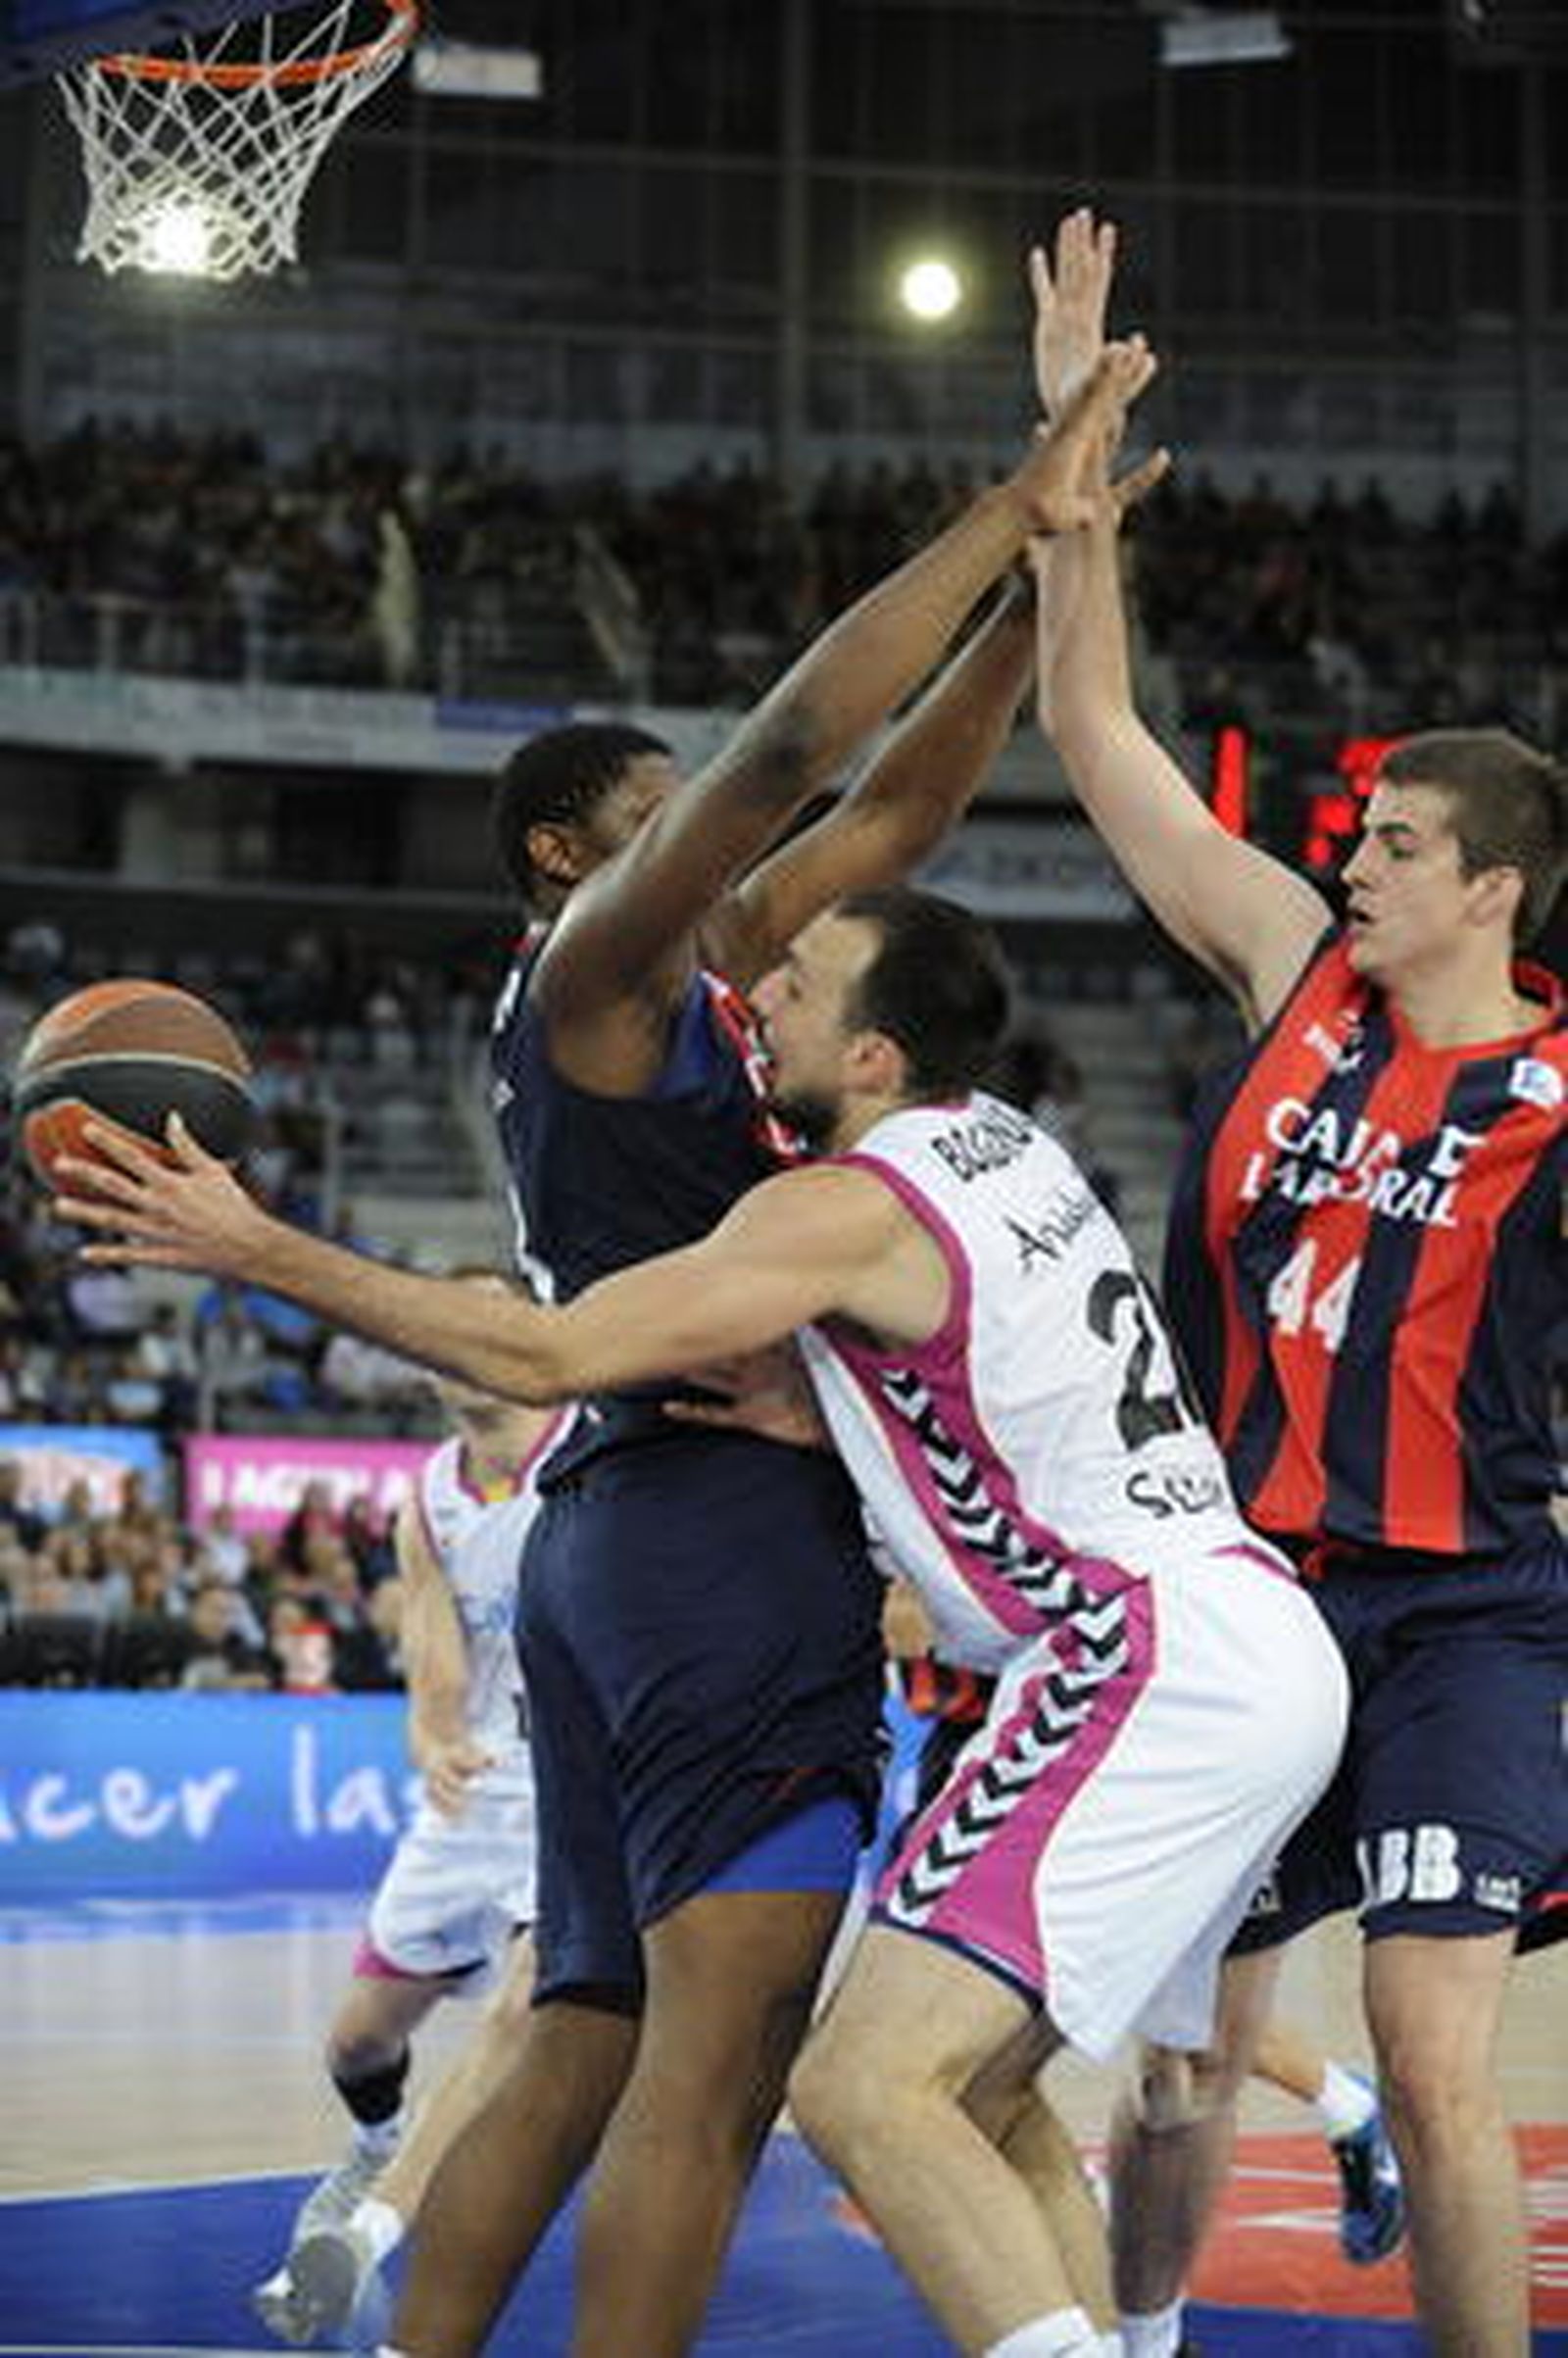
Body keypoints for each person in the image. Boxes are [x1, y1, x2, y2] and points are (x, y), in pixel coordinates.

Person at [62, 351, 1151, 2358]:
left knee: (579, 2022)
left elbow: (899, 796)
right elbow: (808, 741)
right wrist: (1008, 505)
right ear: (573, 854)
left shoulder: (710, 980)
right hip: (709, 1538)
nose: (716, 842)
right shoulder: (596, 974)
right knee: (713, 2072)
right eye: (663, 820)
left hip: (613, 1544)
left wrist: (1045, 575)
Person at [55, 885, 1349, 2358]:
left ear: (873, 1055)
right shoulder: (1017, 1151)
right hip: (1241, 1629)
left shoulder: (843, 1203)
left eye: (798, 983)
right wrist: (831, 1415)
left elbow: (547, 1348)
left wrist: (255, 1244)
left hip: (1136, 1656)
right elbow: (983, 1368)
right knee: (978, 2098)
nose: (759, 999)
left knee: (863, 2088)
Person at [1031, 206, 1568, 2358]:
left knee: (1432, 2065)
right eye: (1351, 833)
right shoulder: (1287, 973)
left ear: (1494, 888)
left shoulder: (1554, 1090)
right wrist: (1066, 477)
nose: (1349, 855)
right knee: (1172, 2063)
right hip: (1244, 1602)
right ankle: (1137, 2343)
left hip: (1459, 1609)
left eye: (1393, 844)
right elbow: (1096, 738)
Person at [883, 1572, 1404, 2271]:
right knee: (1033, 2026)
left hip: (1094, 1733)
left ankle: (1336, 2105)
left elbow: (917, 1617)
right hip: (995, 1742)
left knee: (1134, 2024)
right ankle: (1339, 2100)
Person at [255, 1331, 567, 2349]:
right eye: (445, 1337)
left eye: (492, 1327)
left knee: (520, 2015)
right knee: (357, 2040)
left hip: (579, 1786)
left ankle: (371, 2231)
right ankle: (374, 2143)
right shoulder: (426, 1496)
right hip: (473, 1794)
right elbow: (435, 1657)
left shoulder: (587, 1452)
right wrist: (431, 1738)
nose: (467, 1349)